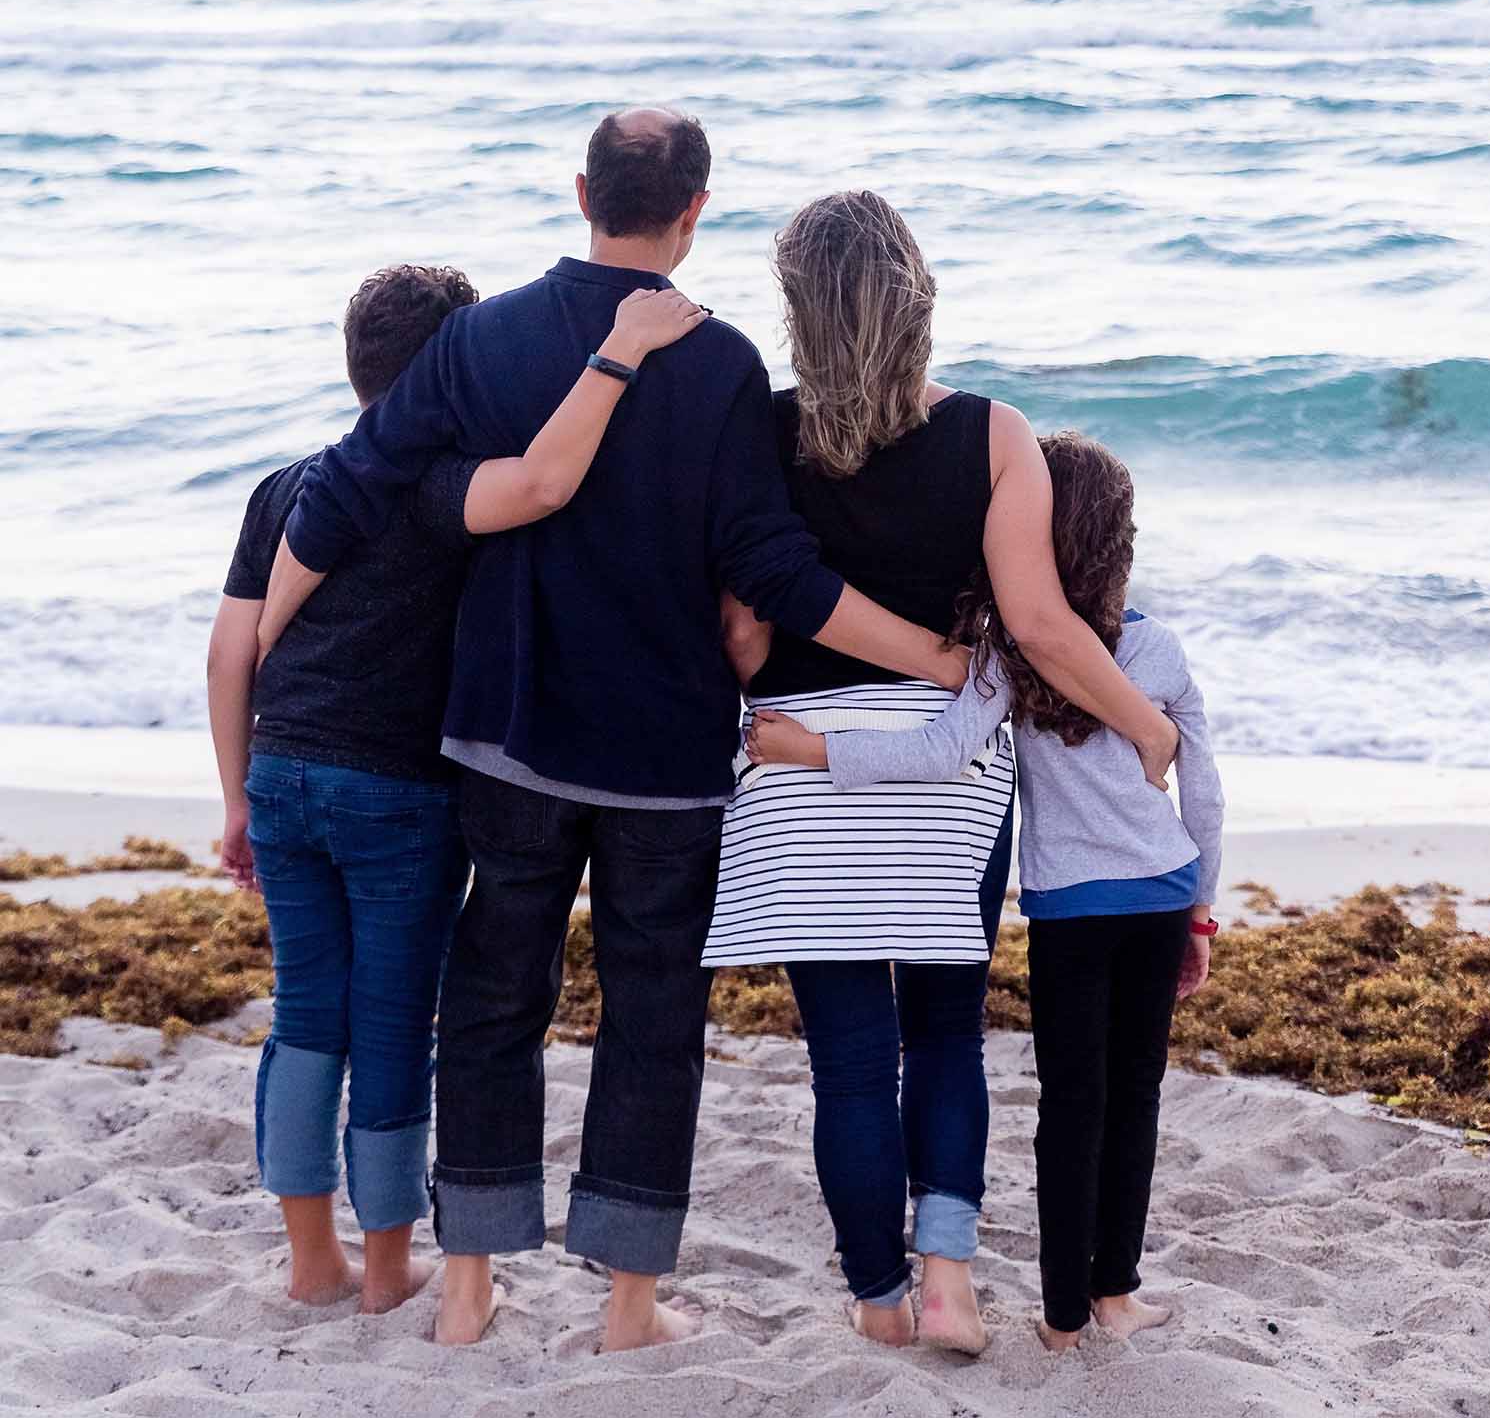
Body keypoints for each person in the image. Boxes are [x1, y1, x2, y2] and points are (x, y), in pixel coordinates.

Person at [253, 111, 967, 1353]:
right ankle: (630, 1309)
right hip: (663, 757)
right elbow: (774, 568)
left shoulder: (484, 338)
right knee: (650, 1020)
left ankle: (468, 1287)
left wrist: (265, 639)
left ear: (582, 188)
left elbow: (352, 483)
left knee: (491, 1002)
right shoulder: (725, 363)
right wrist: (942, 661)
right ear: (697, 209)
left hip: (510, 738)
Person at [701, 193, 1181, 1354]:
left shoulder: (760, 434)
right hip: (945, 774)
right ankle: (952, 1276)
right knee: (946, 1033)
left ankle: (878, 1298)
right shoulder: (993, 433)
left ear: (797, 311)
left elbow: (743, 644)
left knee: (852, 1059)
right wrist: (1145, 730)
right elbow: (1042, 626)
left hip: (799, 770)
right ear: (918, 297)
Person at [207, 265, 703, 1316]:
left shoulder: (287, 485)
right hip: (396, 796)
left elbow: (230, 654)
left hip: (283, 776)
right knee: (390, 1026)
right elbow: (539, 484)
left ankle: (309, 1261)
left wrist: (236, 800)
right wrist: (617, 358)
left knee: (306, 1017)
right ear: (453, 367)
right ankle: (386, 1269)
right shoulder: (435, 488)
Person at [746, 432, 1224, 1353]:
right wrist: (1201, 906)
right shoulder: (1156, 649)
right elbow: (1202, 790)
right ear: (1121, 541)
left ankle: (1058, 1319)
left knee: (1070, 1104)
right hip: (1161, 895)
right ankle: (1114, 1292)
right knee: (1137, 1097)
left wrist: (810, 748)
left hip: (1068, 910)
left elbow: (935, 751)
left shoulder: (1009, 653)